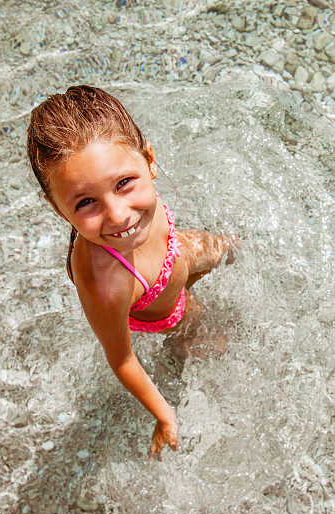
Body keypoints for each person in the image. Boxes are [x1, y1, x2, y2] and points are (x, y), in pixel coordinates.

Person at [26, 85, 235, 462]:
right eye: (86, 202)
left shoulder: (137, 209)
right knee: (207, 336)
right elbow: (122, 359)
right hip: (163, 303)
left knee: (225, 248)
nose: (119, 215)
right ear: (58, 209)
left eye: (124, 183)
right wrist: (163, 415)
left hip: (178, 251)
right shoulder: (105, 283)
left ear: (149, 160)